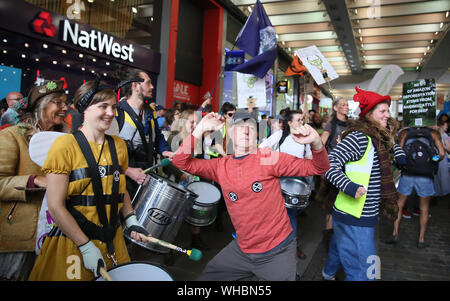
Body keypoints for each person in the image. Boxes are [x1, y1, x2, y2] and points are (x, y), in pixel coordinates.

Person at [172, 111, 330, 281]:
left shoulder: (269, 158)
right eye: (240, 127)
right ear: (230, 132)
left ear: (257, 134)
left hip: (277, 251)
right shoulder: (220, 166)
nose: (246, 131)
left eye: (251, 127)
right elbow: (180, 161)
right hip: (242, 250)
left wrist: (316, 143)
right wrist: (200, 129)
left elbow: (319, 168)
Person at [28, 79, 150, 281]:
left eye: (113, 107)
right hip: (73, 243)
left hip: (113, 240)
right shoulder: (64, 146)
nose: (111, 113)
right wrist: (85, 246)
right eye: (103, 106)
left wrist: (131, 219)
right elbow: (56, 206)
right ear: (85, 109)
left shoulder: (119, 145)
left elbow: (119, 187)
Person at [322, 87, 406, 281]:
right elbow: (328, 165)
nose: (387, 114)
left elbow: (393, 150)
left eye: (388, 111)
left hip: (350, 213)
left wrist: (402, 159)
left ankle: (327, 273)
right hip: (356, 215)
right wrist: (349, 186)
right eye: (382, 111)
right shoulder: (360, 137)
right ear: (369, 114)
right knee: (366, 269)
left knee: (339, 247)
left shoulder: (380, 138)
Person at [0, 80, 70, 280]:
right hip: (20, 238)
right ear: (42, 104)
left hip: (57, 234)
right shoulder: (12, 136)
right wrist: (35, 180)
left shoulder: (67, 139)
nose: (64, 108)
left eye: (65, 103)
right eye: (58, 102)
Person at [259, 110, 312, 261]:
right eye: (298, 120)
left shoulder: (305, 138)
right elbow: (262, 149)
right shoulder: (280, 135)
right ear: (289, 123)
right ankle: (274, 246)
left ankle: (290, 246)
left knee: (291, 215)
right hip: (279, 180)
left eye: (302, 120)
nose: (301, 122)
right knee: (276, 214)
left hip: (298, 180)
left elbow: (309, 157)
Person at [114, 68, 173, 200]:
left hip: (145, 176)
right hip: (122, 182)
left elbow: (157, 137)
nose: (152, 87)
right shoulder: (117, 113)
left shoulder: (149, 112)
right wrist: (128, 171)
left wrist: (164, 151)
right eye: (148, 83)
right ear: (135, 85)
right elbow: (106, 150)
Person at [388, 124, 445, 248]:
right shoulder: (433, 133)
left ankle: (395, 233)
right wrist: (431, 160)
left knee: (399, 204)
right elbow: (441, 154)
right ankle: (421, 239)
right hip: (425, 176)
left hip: (408, 174)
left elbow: (399, 153)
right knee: (424, 208)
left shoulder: (405, 133)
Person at [318, 98, 350, 246]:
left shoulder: (351, 124)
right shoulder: (332, 124)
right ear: (335, 108)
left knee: (344, 203)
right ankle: (328, 238)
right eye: (343, 105)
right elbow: (320, 144)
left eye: (347, 104)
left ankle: (340, 235)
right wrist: (323, 167)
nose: (346, 107)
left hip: (349, 169)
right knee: (331, 204)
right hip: (334, 168)